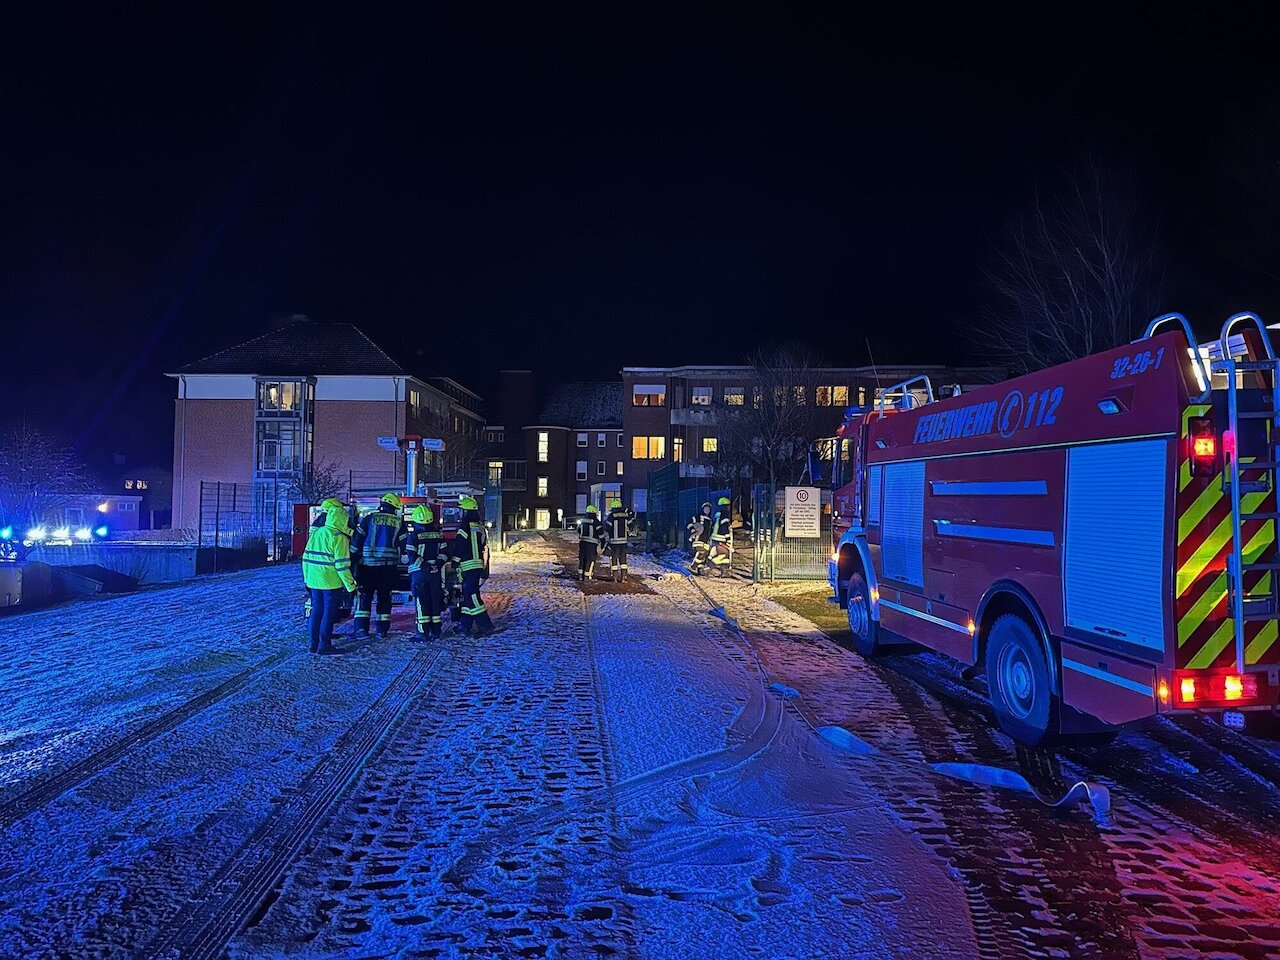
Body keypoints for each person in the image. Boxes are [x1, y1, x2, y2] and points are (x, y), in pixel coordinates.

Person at [301, 499, 357, 654]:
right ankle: (324, 645)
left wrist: (307, 580)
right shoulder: (339, 537)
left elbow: (306, 558)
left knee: (316, 611)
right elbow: (342, 566)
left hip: (313, 580)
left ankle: (313, 644)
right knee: (328, 612)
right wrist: (351, 586)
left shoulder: (317, 532)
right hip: (331, 582)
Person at [350, 491, 407, 639]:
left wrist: (352, 559)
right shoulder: (399, 522)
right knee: (384, 599)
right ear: (395, 507)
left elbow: (357, 540)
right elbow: (404, 545)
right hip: (388, 568)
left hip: (367, 567)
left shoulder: (369, 519)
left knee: (364, 598)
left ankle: (361, 630)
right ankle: (381, 630)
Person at [448, 495, 494, 636]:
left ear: (466, 512)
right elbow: (483, 545)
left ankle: (486, 625)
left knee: (472, 597)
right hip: (477, 566)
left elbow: (459, 547)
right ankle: (465, 626)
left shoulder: (464, 528)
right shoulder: (480, 527)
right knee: (467, 598)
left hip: (467, 567)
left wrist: (454, 562)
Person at [407, 503, 446, 640]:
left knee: (421, 601)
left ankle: (422, 632)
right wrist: (437, 565)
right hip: (435, 574)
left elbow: (412, 556)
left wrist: (425, 567)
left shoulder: (413, 536)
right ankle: (436, 631)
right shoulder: (438, 535)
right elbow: (444, 554)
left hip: (420, 574)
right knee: (434, 601)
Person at [605, 498, 635, 582]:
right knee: (623, 559)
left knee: (614, 559)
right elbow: (631, 526)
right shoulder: (626, 515)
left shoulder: (611, 516)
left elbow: (607, 527)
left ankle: (614, 577)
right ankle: (623, 577)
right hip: (623, 542)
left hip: (614, 542)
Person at [576, 504, 604, 580]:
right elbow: (601, 534)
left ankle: (580, 575)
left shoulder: (582, 520)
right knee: (590, 559)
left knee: (582, 558)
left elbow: (579, 530)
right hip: (592, 544)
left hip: (582, 543)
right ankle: (587, 576)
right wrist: (602, 543)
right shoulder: (596, 522)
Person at [687, 501, 713, 575]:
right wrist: (693, 531)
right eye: (706, 508)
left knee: (704, 556)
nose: (707, 510)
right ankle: (693, 567)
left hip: (706, 541)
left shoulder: (710, 520)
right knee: (701, 553)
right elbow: (689, 524)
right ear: (703, 509)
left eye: (708, 509)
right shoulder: (698, 517)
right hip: (698, 539)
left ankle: (700, 570)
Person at [709, 496, 733, 577]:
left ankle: (724, 572)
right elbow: (724, 527)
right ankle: (710, 566)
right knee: (723, 555)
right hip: (721, 539)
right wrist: (727, 539)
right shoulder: (725, 515)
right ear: (726, 506)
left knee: (725, 557)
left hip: (714, 539)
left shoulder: (717, 515)